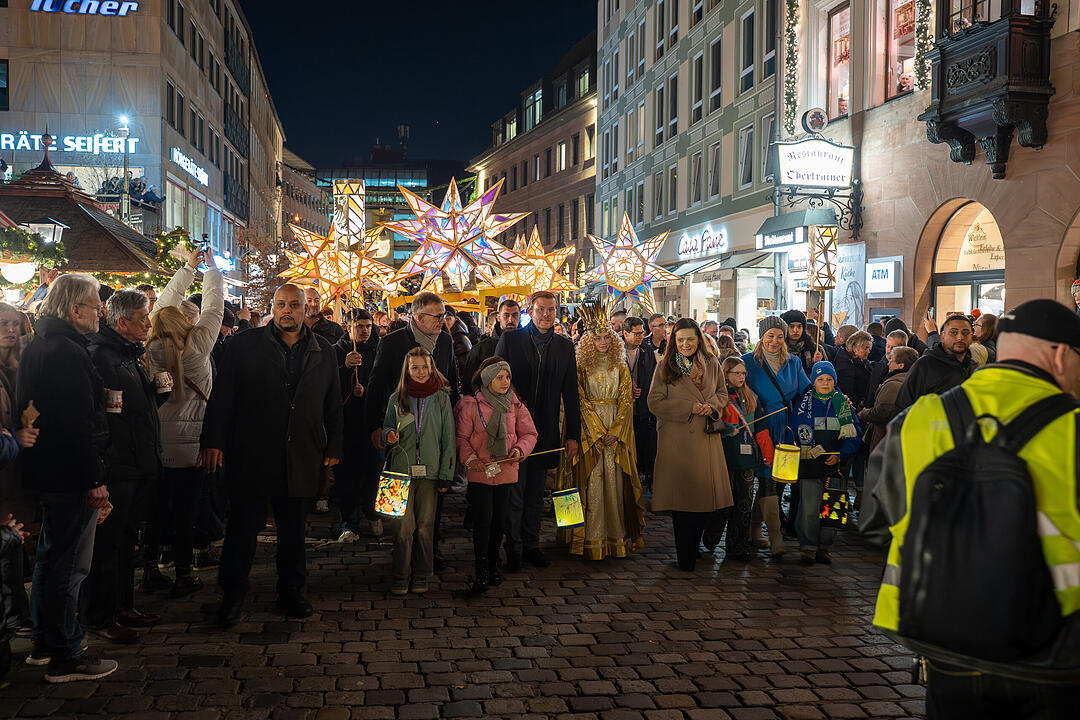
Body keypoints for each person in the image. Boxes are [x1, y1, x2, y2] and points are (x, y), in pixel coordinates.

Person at [863, 299, 1080, 717]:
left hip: (945, 639)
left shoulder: (920, 418)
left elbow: (875, 524)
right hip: (1054, 649)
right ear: (1059, 354)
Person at [200, 284, 343, 627]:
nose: (287, 311)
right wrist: (213, 440)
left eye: (294, 305)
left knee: (293, 529)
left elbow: (333, 405)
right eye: (281, 304)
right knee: (243, 528)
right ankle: (232, 594)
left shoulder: (322, 351)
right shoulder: (243, 345)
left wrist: (333, 448)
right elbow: (222, 397)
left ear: (306, 309)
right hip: (253, 451)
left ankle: (291, 590)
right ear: (273, 308)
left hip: (302, 453)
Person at [17, 273, 116, 682]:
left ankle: (46, 641)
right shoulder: (67, 352)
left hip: (50, 469)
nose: (100, 312)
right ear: (75, 310)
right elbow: (76, 424)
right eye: (95, 306)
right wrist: (94, 478)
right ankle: (65, 652)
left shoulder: (43, 343)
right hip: (70, 474)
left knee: (51, 559)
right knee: (69, 563)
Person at [83, 291, 163, 645]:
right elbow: (104, 417)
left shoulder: (129, 355)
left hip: (136, 462)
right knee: (107, 545)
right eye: (143, 317)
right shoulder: (103, 356)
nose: (148, 322)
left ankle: (123, 605)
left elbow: (134, 407)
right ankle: (100, 615)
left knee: (127, 540)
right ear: (122, 322)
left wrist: (155, 392)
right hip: (117, 466)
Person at [146, 251, 224, 597]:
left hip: (158, 444)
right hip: (193, 444)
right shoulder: (198, 345)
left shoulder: (149, 350)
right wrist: (211, 271)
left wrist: (187, 268)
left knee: (156, 513)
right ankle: (183, 573)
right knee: (186, 513)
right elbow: (213, 307)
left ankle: (150, 570)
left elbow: (163, 305)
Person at [365, 292, 460, 570]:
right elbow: (376, 385)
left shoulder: (444, 340)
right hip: (401, 434)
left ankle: (428, 554)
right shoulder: (392, 342)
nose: (443, 321)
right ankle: (401, 558)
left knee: (432, 501)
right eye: (437, 316)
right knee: (401, 506)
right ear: (419, 317)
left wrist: (452, 420)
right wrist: (376, 427)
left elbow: (452, 379)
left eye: (443, 316)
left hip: (433, 430)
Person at [495, 291, 581, 571]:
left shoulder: (564, 346)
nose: (547, 314)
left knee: (535, 494)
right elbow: (494, 382)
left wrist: (573, 435)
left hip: (545, 430)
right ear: (530, 311)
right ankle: (514, 547)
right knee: (515, 494)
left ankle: (531, 545)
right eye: (541, 309)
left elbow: (571, 394)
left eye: (552, 310)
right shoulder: (511, 339)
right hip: (514, 430)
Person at [648, 318, 732, 571]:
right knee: (682, 503)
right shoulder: (665, 366)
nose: (685, 344)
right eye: (680, 339)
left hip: (706, 439)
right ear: (673, 341)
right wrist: (689, 407)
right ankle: (685, 555)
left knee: (704, 500)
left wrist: (712, 406)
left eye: (690, 339)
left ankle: (694, 548)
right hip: (678, 440)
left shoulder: (712, 363)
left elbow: (722, 394)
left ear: (699, 340)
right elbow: (654, 402)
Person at [559, 316, 645, 560]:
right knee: (591, 479)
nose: (603, 342)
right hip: (589, 430)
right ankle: (585, 537)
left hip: (614, 429)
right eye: (597, 338)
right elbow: (579, 400)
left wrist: (616, 431)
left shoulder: (620, 364)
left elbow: (626, 399)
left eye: (607, 337)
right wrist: (597, 431)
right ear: (588, 340)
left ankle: (614, 535)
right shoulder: (580, 366)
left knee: (614, 481)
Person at [455, 357, 537, 592]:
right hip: (480, 472)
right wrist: (470, 459)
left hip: (506, 470)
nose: (505, 382)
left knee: (499, 521)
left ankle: (493, 564)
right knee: (483, 521)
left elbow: (529, 433)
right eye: (500, 377)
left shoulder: (514, 403)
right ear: (488, 379)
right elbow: (461, 437)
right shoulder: (471, 405)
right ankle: (481, 567)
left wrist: (519, 450)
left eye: (507, 377)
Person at [382, 348, 455, 595]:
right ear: (407, 370)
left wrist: (447, 472)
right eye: (415, 368)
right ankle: (401, 574)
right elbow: (386, 428)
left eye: (425, 367)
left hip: (430, 471)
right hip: (401, 472)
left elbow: (448, 438)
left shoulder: (442, 398)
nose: (421, 372)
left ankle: (422, 573)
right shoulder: (397, 398)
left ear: (431, 367)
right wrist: (388, 436)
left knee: (425, 526)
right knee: (402, 527)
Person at [742, 316, 811, 548]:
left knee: (775, 479)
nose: (775, 340)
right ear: (761, 336)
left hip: (785, 427)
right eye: (770, 335)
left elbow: (806, 390)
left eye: (779, 336)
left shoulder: (794, 363)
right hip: (758, 425)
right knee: (760, 479)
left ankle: (760, 530)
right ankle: (762, 532)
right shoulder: (747, 362)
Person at [704, 356, 775, 560]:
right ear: (725, 375)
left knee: (744, 503)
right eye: (737, 373)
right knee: (722, 503)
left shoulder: (751, 397)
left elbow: (761, 429)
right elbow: (710, 423)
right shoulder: (719, 398)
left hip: (747, 459)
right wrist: (727, 429)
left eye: (744, 373)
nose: (742, 376)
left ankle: (738, 546)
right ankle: (711, 536)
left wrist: (767, 454)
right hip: (724, 457)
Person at [792, 361, 861, 565]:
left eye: (829, 379)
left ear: (835, 382)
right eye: (820, 379)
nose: (825, 383)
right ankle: (808, 547)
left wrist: (840, 454)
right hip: (809, 465)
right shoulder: (802, 404)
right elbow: (793, 431)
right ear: (813, 381)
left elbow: (854, 436)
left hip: (834, 466)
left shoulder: (843, 405)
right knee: (809, 507)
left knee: (831, 506)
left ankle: (825, 546)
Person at [333, 311, 381, 542]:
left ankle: (373, 513)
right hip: (347, 425)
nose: (364, 330)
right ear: (349, 327)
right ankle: (349, 523)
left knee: (374, 473)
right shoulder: (337, 350)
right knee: (347, 477)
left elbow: (383, 382)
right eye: (360, 326)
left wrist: (367, 392)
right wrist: (344, 368)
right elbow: (327, 385)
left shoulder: (378, 349)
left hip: (371, 422)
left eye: (368, 326)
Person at [896, 314, 976, 409]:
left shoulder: (974, 368)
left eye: (965, 333)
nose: (960, 337)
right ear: (942, 336)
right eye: (954, 333)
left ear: (971, 337)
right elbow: (904, 405)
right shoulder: (924, 366)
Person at [857, 346, 917, 452]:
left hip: (884, 440)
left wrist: (863, 413)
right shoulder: (913, 381)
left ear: (901, 365)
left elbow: (881, 412)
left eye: (891, 360)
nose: (888, 363)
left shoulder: (894, 385)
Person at [623, 317, 657, 490]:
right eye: (636, 334)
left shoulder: (646, 351)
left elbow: (651, 377)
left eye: (642, 333)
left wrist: (643, 391)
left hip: (642, 408)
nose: (640, 337)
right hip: (623, 409)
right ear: (625, 333)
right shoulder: (616, 351)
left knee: (642, 444)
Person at [463, 299, 519, 387]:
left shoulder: (528, 344)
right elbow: (469, 382)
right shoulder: (480, 349)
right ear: (499, 318)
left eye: (515, 315)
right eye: (506, 315)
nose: (510, 320)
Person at [833, 330, 874, 412]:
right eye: (865, 348)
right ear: (854, 349)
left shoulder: (860, 361)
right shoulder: (845, 367)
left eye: (869, 348)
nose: (868, 351)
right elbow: (847, 392)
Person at [866, 329, 909, 405]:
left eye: (893, 347)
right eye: (888, 346)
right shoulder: (879, 365)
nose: (889, 350)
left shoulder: (904, 368)